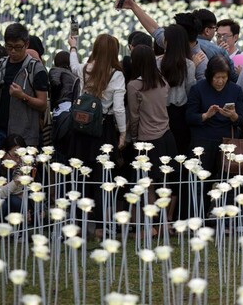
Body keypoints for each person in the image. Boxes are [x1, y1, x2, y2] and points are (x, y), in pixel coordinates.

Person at [68, 33, 126, 231]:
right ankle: (101, 226)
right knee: (102, 178)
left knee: (81, 175)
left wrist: (73, 47)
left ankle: (78, 222)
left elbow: (73, 65)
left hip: (81, 128)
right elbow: (118, 108)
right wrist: (123, 133)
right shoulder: (116, 75)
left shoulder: (85, 69)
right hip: (104, 129)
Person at [0, 23, 48, 151]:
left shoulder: (36, 69)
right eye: (9, 47)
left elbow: (42, 104)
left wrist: (22, 96)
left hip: (23, 136)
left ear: (27, 44)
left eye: (18, 47)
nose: (13, 51)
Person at [127, 44, 177, 205]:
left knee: (147, 182)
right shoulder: (163, 81)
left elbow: (134, 116)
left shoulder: (134, 85)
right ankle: (165, 221)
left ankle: (153, 224)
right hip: (167, 135)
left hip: (147, 138)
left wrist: (133, 137)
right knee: (165, 181)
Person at [186, 55, 243, 177]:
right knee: (200, 180)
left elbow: (240, 120)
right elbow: (189, 117)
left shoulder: (236, 90)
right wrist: (206, 115)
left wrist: (233, 115)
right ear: (210, 76)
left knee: (227, 180)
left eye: (224, 77)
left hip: (227, 141)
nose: (220, 81)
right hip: (203, 140)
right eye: (217, 77)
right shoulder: (198, 89)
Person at [156, 24, 197, 155]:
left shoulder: (157, 62)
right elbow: (191, 90)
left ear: (167, 42)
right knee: (180, 151)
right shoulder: (189, 65)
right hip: (181, 113)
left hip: (160, 111)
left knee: (164, 151)